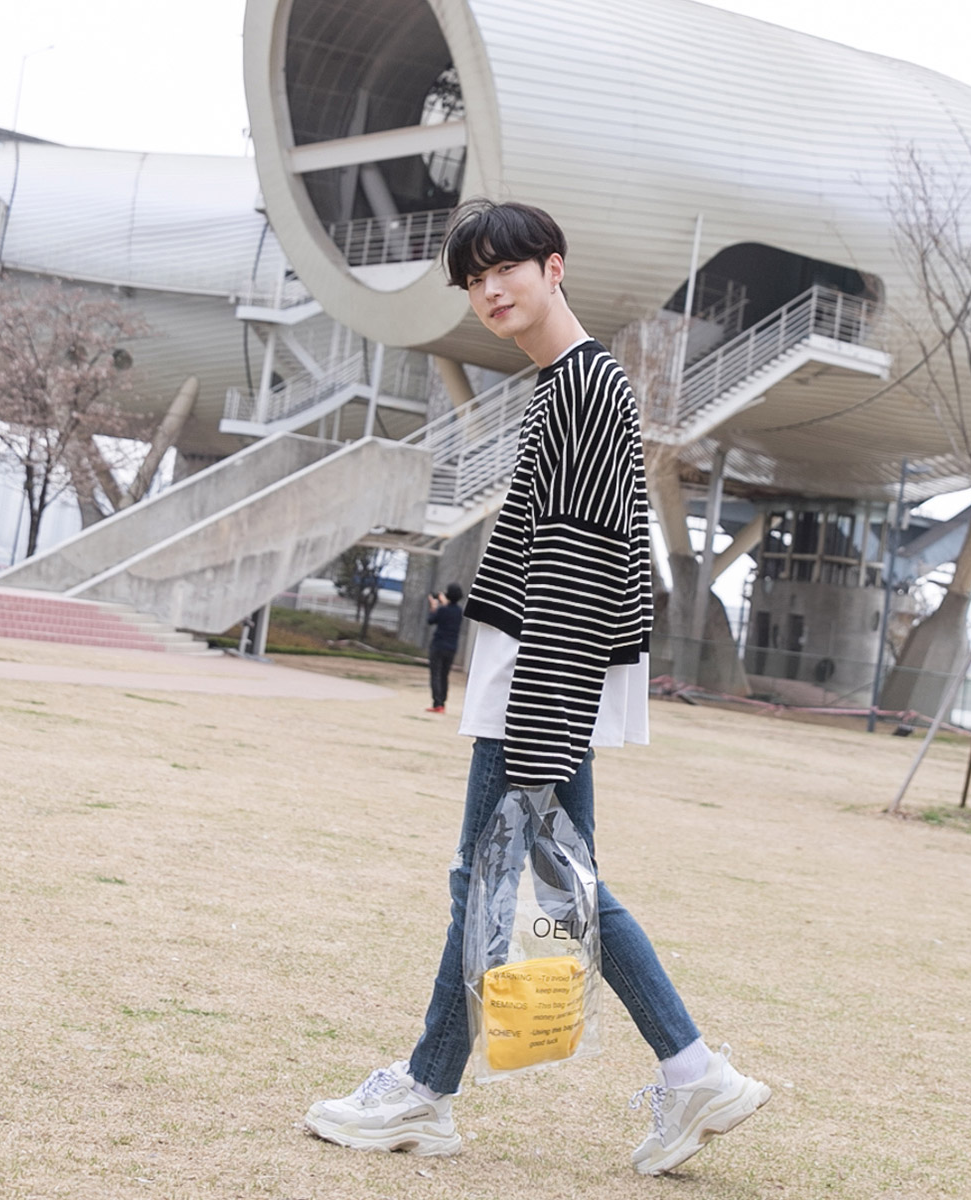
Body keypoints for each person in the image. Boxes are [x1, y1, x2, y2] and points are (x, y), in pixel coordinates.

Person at [303, 200, 770, 1175]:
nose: (489, 292)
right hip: (542, 671)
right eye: (473, 280)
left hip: (541, 674)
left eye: (504, 269)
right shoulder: (572, 385)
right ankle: (691, 1073)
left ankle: (426, 1092)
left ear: (553, 266)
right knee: (559, 878)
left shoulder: (585, 388)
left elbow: (582, 562)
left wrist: (542, 717)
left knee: (486, 878)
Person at [425, 583, 464, 713]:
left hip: (438, 645)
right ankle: (442, 702)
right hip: (452, 647)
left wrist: (434, 606)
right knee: (444, 675)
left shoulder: (443, 610)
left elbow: (431, 620)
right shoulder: (459, 611)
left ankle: (437, 703)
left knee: (435, 674)